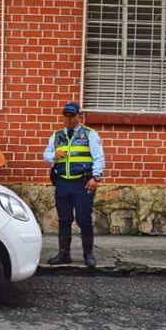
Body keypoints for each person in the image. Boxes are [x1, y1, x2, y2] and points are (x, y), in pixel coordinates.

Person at [43, 102, 105, 267]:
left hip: (83, 183)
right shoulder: (56, 136)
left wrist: (96, 178)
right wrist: (54, 155)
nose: (68, 119)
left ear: (80, 116)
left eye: (72, 116)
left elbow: (99, 157)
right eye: (66, 115)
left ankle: (88, 254)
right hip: (62, 182)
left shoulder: (90, 134)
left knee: (84, 220)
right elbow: (46, 155)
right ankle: (64, 254)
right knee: (64, 220)